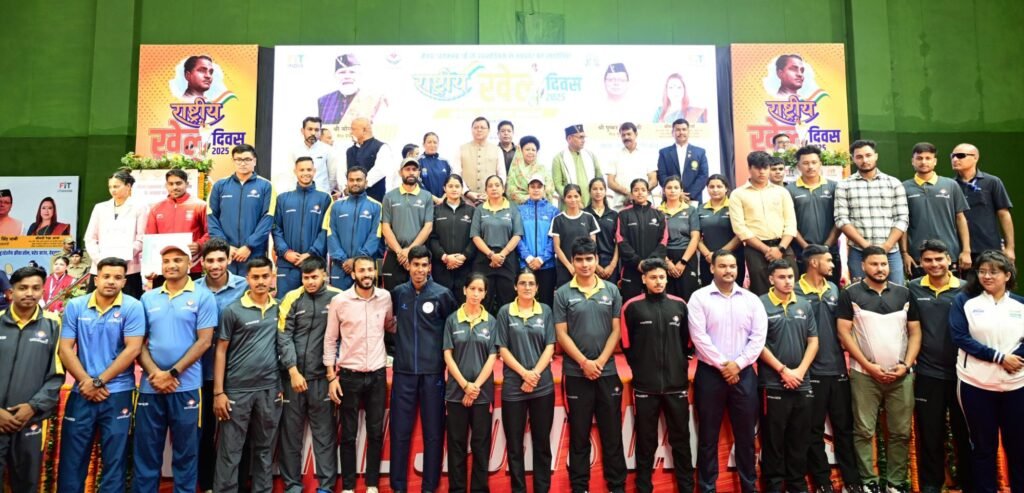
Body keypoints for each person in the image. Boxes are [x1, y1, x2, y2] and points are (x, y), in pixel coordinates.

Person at [836, 246, 921, 493]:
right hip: (864, 375)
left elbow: (915, 332)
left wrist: (906, 365)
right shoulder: (850, 294)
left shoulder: (904, 293)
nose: (880, 268)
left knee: (901, 432)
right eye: (874, 264)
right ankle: (868, 483)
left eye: (884, 264)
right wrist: (867, 366)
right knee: (863, 431)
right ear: (863, 265)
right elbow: (844, 333)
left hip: (901, 376)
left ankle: (895, 484)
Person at [133, 243, 217, 493]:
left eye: (178, 260)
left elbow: (204, 342)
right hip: (150, 387)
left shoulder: (203, 296)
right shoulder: (147, 298)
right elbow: (137, 343)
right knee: (146, 453)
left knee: (186, 453)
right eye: (167, 261)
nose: (171, 265)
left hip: (187, 386)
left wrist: (172, 373)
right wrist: (155, 374)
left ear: (189, 264)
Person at [58, 257, 145, 493]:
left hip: (117, 393)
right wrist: (86, 382)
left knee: (115, 462)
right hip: (81, 393)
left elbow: (133, 349)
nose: (111, 281)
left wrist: (98, 382)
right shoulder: (76, 305)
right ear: (96, 279)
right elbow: (65, 349)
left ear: (124, 281)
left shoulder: (133, 307)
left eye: (118, 277)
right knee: (72, 461)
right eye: (106, 276)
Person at [688, 249, 767, 493]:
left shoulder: (751, 300)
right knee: (708, 437)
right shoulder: (699, 298)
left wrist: (738, 364)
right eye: (722, 266)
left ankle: (749, 487)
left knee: (746, 438)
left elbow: (758, 338)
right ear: (712, 268)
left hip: (744, 375)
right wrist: (725, 365)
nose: (728, 270)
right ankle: (707, 488)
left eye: (732, 266)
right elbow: (699, 337)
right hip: (710, 375)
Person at [553, 237, 626, 493]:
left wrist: (600, 361)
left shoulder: (612, 290)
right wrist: (584, 362)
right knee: (579, 435)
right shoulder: (562, 293)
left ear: (597, 260)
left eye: (589, 259)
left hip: (607, 372)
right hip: (576, 373)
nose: (585, 264)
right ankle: (579, 487)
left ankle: (617, 487)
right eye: (579, 260)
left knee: (612, 434)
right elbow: (561, 333)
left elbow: (616, 330)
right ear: (572, 262)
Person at [949, 250, 1024, 493]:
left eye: (993, 272)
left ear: (1007, 275)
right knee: (983, 448)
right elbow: (959, 337)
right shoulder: (964, 301)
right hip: (975, 385)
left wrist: (1017, 358)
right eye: (982, 271)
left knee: (1019, 447)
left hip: (1017, 385)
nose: (986, 276)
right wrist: (1000, 358)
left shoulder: (1020, 304)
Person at [620, 258, 695, 493]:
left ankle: (686, 488)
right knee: (646, 442)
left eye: (662, 277)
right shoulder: (631, 307)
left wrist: (678, 365)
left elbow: (687, 342)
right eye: (653, 277)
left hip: (676, 385)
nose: (658, 281)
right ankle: (644, 488)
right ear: (644, 279)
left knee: (681, 441)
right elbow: (626, 344)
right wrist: (641, 368)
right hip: (645, 386)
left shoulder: (680, 305)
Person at [389, 246, 457, 493]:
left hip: (433, 374)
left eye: (424, 265)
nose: (419, 270)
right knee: (399, 432)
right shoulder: (398, 293)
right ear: (408, 266)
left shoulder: (442, 295)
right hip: (404, 373)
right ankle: (398, 487)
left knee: (434, 433)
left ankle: (430, 487)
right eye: (415, 265)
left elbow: (452, 329)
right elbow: (388, 324)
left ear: (430, 267)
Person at [324, 255, 394, 493]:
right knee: (348, 434)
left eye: (370, 270)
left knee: (375, 432)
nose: (367, 275)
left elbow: (390, 326)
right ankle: (349, 487)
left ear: (375, 272)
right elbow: (330, 340)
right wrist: (331, 377)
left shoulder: (385, 297)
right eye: (361, 271)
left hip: (377, 375)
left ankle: (372, 484)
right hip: (349, 376)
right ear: (353, 274)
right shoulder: (339, 301)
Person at [906, 240, 971, 493]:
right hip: (928, 373)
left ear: (949, 260)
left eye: (939, 259)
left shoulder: (966, 289)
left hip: (963, 374)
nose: (934, 264)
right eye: (928, 260)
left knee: (964, 432)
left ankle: (968, 482)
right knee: (930, 434)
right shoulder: (912, 288)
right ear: (921, 263)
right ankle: (932, 485)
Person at [212, 257, 282, 493]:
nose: (260, 281)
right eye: (255, 277)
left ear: (272, 277)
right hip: (237, 391)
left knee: (264, 450)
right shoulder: (232, 310)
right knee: (230, 451)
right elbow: (220, 351)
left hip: (269, 389)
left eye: (265, 276)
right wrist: (219, 392)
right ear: (247, 279)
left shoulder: (280, 308)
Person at [795, 245, 860, 493]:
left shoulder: (834, 288)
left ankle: (852, 482)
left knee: (844, 429)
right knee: (813, 432)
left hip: (838, 369)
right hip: (811, 373)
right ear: (813, 263)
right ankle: (822, 483)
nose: (833, 265)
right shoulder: (796, 291)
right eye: (828, 261)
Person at [277, 256, 341, 493]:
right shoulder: (291, 298)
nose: (310, 282)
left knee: (325, 436)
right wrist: (292, 370)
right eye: (306, 278)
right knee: (290, 437)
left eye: (314, 277)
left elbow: (344, 335)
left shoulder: (338, 297)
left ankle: (326, 487)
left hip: (322, 379)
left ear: (324, 274)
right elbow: (283, 336)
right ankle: (293, 486)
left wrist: (334, 374)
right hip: (293, 379)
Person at [757, 260, 819, 493]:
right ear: (771, 279)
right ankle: (774, 487)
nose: (787, 281)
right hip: (773, 383)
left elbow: (813, 341)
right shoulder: (760, 304)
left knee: (799, 440)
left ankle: (797, 486)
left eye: (790, 277)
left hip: (802, 383)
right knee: (773, 442)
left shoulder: (804, 304)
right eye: (782, 277)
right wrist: (783, 370)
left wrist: (800, 372)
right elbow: (758, 344)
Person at [0, 266, 63, 492]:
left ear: (43, 291)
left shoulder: (54, 324)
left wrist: (33, 406)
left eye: (36, 288)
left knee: (27, 484)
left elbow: (57, 374)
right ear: (11, 292)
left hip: (30, 420)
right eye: (23, 288)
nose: (29, 293)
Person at [495, 270, 557, 493]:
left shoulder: (546, 311)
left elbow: (550, 346)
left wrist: (534, 375)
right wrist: (524, 374)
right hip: (514, 388)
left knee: (542, 444)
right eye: (522, 283)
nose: (527, 287)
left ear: (538, 288)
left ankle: (542, 489)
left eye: (531, 283)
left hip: (542, 387)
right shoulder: (505, 312)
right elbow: (502, 349)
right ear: (515, 287)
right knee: (514, 446)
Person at [193, 238, 247, 492]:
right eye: (210, 261)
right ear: (202, 262)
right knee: (204, 433)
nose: (215, 265)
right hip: (200, 372)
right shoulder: (192, 289)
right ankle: (207, 485)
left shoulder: (244, 287)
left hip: (235, 372)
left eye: (220, 260)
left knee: (237, 434)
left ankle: (237, 485)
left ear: (229, 260)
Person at [443, 274, 498, 493]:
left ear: (485, 294)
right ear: (464, 289)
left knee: (480, 446)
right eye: (472, 289)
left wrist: (475, 387)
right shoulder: (452, 320)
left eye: (480, 290)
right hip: (456, 393)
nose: (476, 294)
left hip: (482, 395)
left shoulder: (491, 322)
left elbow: (492, 357)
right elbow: (448, 355)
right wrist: (465, 385)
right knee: (456, 446)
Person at [834, 139, 910, 284]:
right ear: (853, 159)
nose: (865, 160)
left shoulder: (893, 183)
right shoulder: (844, 185)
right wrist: (867, 246)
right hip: (859, 252)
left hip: (890, 251)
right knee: (860, 293)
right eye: (859, 157)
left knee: (896, 292)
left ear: (876, 156)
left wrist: (886, 246)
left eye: (868, 155)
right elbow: (841, 219)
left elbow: (902, 219)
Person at [730, 151, 798, 295]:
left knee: (790, 288)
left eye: (765, 168)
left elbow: (791, 223)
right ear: (749, 168)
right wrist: (766, 250)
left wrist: (780, 249)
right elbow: (740, 228)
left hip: (783, 246)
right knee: (761, 291)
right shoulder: (737, 194)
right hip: (756, 249)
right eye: (757, 168)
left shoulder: (782, 192)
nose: (762, 172)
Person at [901, 142, 971, 278]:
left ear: (935, 161)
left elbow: (960, 218)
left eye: (928, 158)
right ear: (912, 161)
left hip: (950, 253)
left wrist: (966, 251)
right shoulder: (903, 187)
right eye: (919, 158)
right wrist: (905, 253)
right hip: (917, 257)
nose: (923, 162)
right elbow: (902, 223)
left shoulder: (951, 185)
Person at [207, 144, 276, 276]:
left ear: (254, 161)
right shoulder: (219, 186)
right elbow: (211, 217)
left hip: (254, 253)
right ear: (233, 161)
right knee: (225, 287)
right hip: (226, 254)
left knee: (252, 287)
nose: (242, 163)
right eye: (238, 159)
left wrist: (249, 246)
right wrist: (225, 246)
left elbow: (268, 218)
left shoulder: (266, 186)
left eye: (247, 159)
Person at [272, 157, 331, 297]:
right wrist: (286, 252)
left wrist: (311, 253)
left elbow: (326, 230)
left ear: (314, 171)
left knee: (315, 304)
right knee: (285, 303)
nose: (305, 173)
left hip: (314, 263)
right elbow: (276, 228)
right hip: (287, 264)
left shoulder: (325, 199)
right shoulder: (283, 199)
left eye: (309, 169)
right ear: (295, 171)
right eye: (302, 170)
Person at [84, 169, 147, 298]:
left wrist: (122, 259)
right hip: (100, 266)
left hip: (128, 268)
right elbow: (90, 238)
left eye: (116, 186)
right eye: (110, 187)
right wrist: (100, 259)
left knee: (128, 304)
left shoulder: (139, 207)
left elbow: (141, 239)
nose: (113, 190)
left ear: (128, 186)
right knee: (95, 303)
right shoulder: (100, 208)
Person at [951, 143, 1014, 265]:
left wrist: (1010, 248)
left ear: (975, 158)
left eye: (960, 156)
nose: (955, 159)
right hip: (960, 250)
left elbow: (1004, 214)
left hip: (989, 247)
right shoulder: (950, 185)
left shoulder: (992, 182)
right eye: (952, 156)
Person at [788, 146, 841, 285]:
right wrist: (806, 247)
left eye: (814, 162)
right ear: (798, 166)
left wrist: (827, 246)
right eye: (805, 163)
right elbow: (789, 223)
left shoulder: (834, 187)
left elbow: (840, 219)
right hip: (802, 252)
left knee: (831, 289)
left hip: (830, 251)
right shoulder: (789, 190)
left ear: (820, 164)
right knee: (803, 290)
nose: (810, 167)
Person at [471, 175, 524, 313]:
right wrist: (491, 255)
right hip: (484, 258)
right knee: (483, 300)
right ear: (486, 190)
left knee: (508, 301)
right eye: (490, 186)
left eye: (497, 185)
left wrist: (501, 255)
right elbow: (475, 236)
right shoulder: (479, 209)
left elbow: (517, 234)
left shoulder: (512, 208)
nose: (494, 188)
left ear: (503, 188)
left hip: (507, 258)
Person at [380, 158, 435, 291]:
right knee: (391, 296)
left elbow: (428, 227)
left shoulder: (427, 196)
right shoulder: (389, 196)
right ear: (400, 172)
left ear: (419, 172)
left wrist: (409, 250)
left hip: (418, 256)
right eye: (407, 169)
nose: (411, 172)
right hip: (394, 255)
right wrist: (400, 252)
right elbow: (385, 227)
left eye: (414, 169)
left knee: (420, 295)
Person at [145, 169, 209, 278]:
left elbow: (210, 232)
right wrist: (150, 267)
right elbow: (149, 239)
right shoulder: (156, 208)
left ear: (187, 184)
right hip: (163, 268)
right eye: (171, 184)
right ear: (166, 185)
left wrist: (199, 244)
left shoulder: (200, 205)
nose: (174, 187)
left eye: (178, 183)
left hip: (192, 266)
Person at [327, 166, 382, 290]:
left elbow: (375, 236)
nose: (355, 183)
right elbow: (331, 234)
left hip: (365, 268)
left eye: (359, 180)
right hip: (341, 267)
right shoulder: (336, 206)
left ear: (366, 182)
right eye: (351, 180)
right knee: (339, 301)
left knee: (366, 301)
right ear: (347, 182)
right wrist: (343, 260)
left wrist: (357, 260)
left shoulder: (376, 206)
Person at [616, 178, 667, 302]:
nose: (640, 193)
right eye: (636, 190)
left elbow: (663, 241)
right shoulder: (623, 214)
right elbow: (621, 240)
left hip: (653, 270)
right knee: (630, 304)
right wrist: (638, 262)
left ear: (648, 192)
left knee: (655, 305)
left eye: (643, 190)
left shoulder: (659, 214)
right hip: (631, 269)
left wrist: (649, 264)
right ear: (631, 193)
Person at [429, 174, 476, 305]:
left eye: (457, 186)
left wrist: (464, 256)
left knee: (463, 305)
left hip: (465, 267)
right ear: (444, 188)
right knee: (442, 305)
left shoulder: (472, 211)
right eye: (450, 186)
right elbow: (432, 238)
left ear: (462, 189)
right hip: (442, 267)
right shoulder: (435, 211)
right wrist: (444, 257)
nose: (454, 189)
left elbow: (475, 237)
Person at [697, 175, 745, 288]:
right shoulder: (700, 209)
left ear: (726, 188)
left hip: (732, 257)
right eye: (711, 187)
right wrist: (708, 254)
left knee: (734, 290)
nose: (715, 190)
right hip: (708, 259)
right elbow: (696, 236)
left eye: (719, 186)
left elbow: (740, 234)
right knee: (708, 291)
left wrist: (719, 254)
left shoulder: (734, 206)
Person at [517, 175, 558, 307]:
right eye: (532, 187)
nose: (536, 190)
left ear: (544, 189)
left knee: (547, 302)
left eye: (539, 187)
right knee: (524, 301)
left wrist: (541, 259)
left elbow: (555, 238)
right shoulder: (519, 210)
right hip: (525, 264)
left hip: (547, 265)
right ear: (528, 189)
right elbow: (517, 236)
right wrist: (528, 258)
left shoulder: (553, 211)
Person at [659, 176, 701, 301]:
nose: (672, 191)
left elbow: (695, 237)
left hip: (687, 256)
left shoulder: (691, 210)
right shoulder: (657, 212)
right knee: (667, 299)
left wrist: (683, 262)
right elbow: (655, 240)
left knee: (689, 297)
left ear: (681, 190)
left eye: (676, 187)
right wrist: (667, 262)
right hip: (664, 256)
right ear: (664, 191)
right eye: (669, 188)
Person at [550, 184, 600, 288]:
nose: (573, 200)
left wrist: (589, 265)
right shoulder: (558, 220)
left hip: (585, 267)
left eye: (576, 196)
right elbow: (557, 247)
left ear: (580, 197)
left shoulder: (588, 218)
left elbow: (593, 245)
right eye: (569, 197)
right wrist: (570, 266)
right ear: (564, 199)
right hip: (564, 268)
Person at [317, 53, 388, 126]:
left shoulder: (374, 100)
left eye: (352, 72)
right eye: (342, 72)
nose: (347, 76)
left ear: (359, 75)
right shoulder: (323, 101)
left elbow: (384, 129)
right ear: (335, 76)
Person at [656, 118, 709, 204]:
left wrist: (689, 195)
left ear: (688, 132)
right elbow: (662, 175)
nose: (681, 132)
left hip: (693, 199)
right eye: (678, 130)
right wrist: (677, 194)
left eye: (684, 129)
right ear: (672, 133)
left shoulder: (700, 152)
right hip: (671, 199)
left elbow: (703, 176)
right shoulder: (664, 153)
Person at [607, 122, 658, 209]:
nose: (626, 137)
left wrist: (638, 194)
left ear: (636, 134)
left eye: (629, 134)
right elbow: (610, 182)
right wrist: (628, 194)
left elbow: (653, 181)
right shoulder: (614, 155)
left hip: (644, 205)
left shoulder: (647, 154)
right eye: (623, 135)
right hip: (621, 205)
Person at [458, 116, 506, 205]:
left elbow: (502, 175)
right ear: (471, 130)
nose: (479, 130)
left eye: (482, 127)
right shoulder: (461, 149)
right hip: (465, 201)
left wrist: (491, 193)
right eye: (476, 127)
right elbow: (456, 174)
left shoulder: (497, 150)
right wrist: (466, 192)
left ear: (488, 130)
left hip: (490, 200)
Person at [552, 124, 602, 207]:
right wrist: (574, 199)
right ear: (569, 138)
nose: (583, 140)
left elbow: (599, 178)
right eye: (580, 137)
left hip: (591, 204)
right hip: (569, 206)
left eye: (584, 137)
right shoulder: (559, 158)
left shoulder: (590, 155)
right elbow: (557, 185)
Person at [347, 117, 395, 202]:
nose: (351, 132)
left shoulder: (382, 147)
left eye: (353, 129)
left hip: (374, 197)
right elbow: (343, 172)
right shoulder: (350, 150)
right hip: (352, 197)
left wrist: (361, 184)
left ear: (364, 130)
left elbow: (381, 170)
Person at [289, 117, 339, 196]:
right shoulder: (294, 151)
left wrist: (325, 191)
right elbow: (291, 175)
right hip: (299, 195)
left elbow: (332, 176)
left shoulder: (328, 150)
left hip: (322, 195)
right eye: (310, 129)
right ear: (302, 131)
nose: (313, 133)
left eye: (316, 130)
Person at [585, 178, 620, 284]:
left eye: (601, 189)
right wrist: (595, 265)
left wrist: (612, 265)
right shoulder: (584, 214)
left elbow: (618, 241)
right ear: (589, 191)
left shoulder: (614, 215)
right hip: (589, 261)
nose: (598, 192)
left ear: (605, 191)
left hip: (610, 261)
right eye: (595, 189)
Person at [506, 135, 554, 205]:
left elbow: (550, 188)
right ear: (521, 151)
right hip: (519, 207)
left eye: (533, 150)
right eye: (527, 149)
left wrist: (537, 196)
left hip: (541, 205)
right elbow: (510, 191)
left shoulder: (542, 169)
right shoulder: (514, 169)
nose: (530, 152)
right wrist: (529, 197)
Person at [419, 132, 453, 205]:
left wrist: (443, 198)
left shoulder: (445, 162)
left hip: (444, 202)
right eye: (429, 142)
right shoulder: (418, 162)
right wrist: (434, 199)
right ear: (423, 144)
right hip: (425, 203)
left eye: (435, 142)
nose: (432, 145)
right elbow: (417, 184)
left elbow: (451, 182)